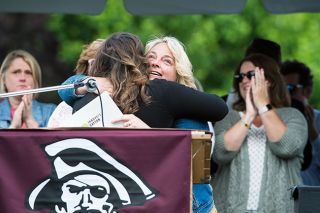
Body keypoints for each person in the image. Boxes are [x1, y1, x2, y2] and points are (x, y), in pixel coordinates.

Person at [212, 53, 307, 212]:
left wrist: (262, 105)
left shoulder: (292, 115)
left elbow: (286, 146)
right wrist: (249, 115)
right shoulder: (228, 117)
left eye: (250, 75)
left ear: (269, 81)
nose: (244, 81)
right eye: (240, 77)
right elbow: (220, 152)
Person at [47, 39, 104, 127]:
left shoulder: (124, 98)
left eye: (106, 64)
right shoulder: (65, 108)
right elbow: (63, 88)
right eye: (94, 63)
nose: (99, 69)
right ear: (87, 66)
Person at [281, 60, 320, 185]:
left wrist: (313, 133)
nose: (285, 95)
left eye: (290, 88)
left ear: (307, 91)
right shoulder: (273, 120)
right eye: (281, 89)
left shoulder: (318, 119)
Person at [0, 49, 56, 128]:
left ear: (35, 79)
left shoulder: (51, 112)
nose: (22, 78)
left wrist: (29, 119)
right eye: (16, 72)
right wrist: (13, 127)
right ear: (3, 79)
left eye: (28, 73)